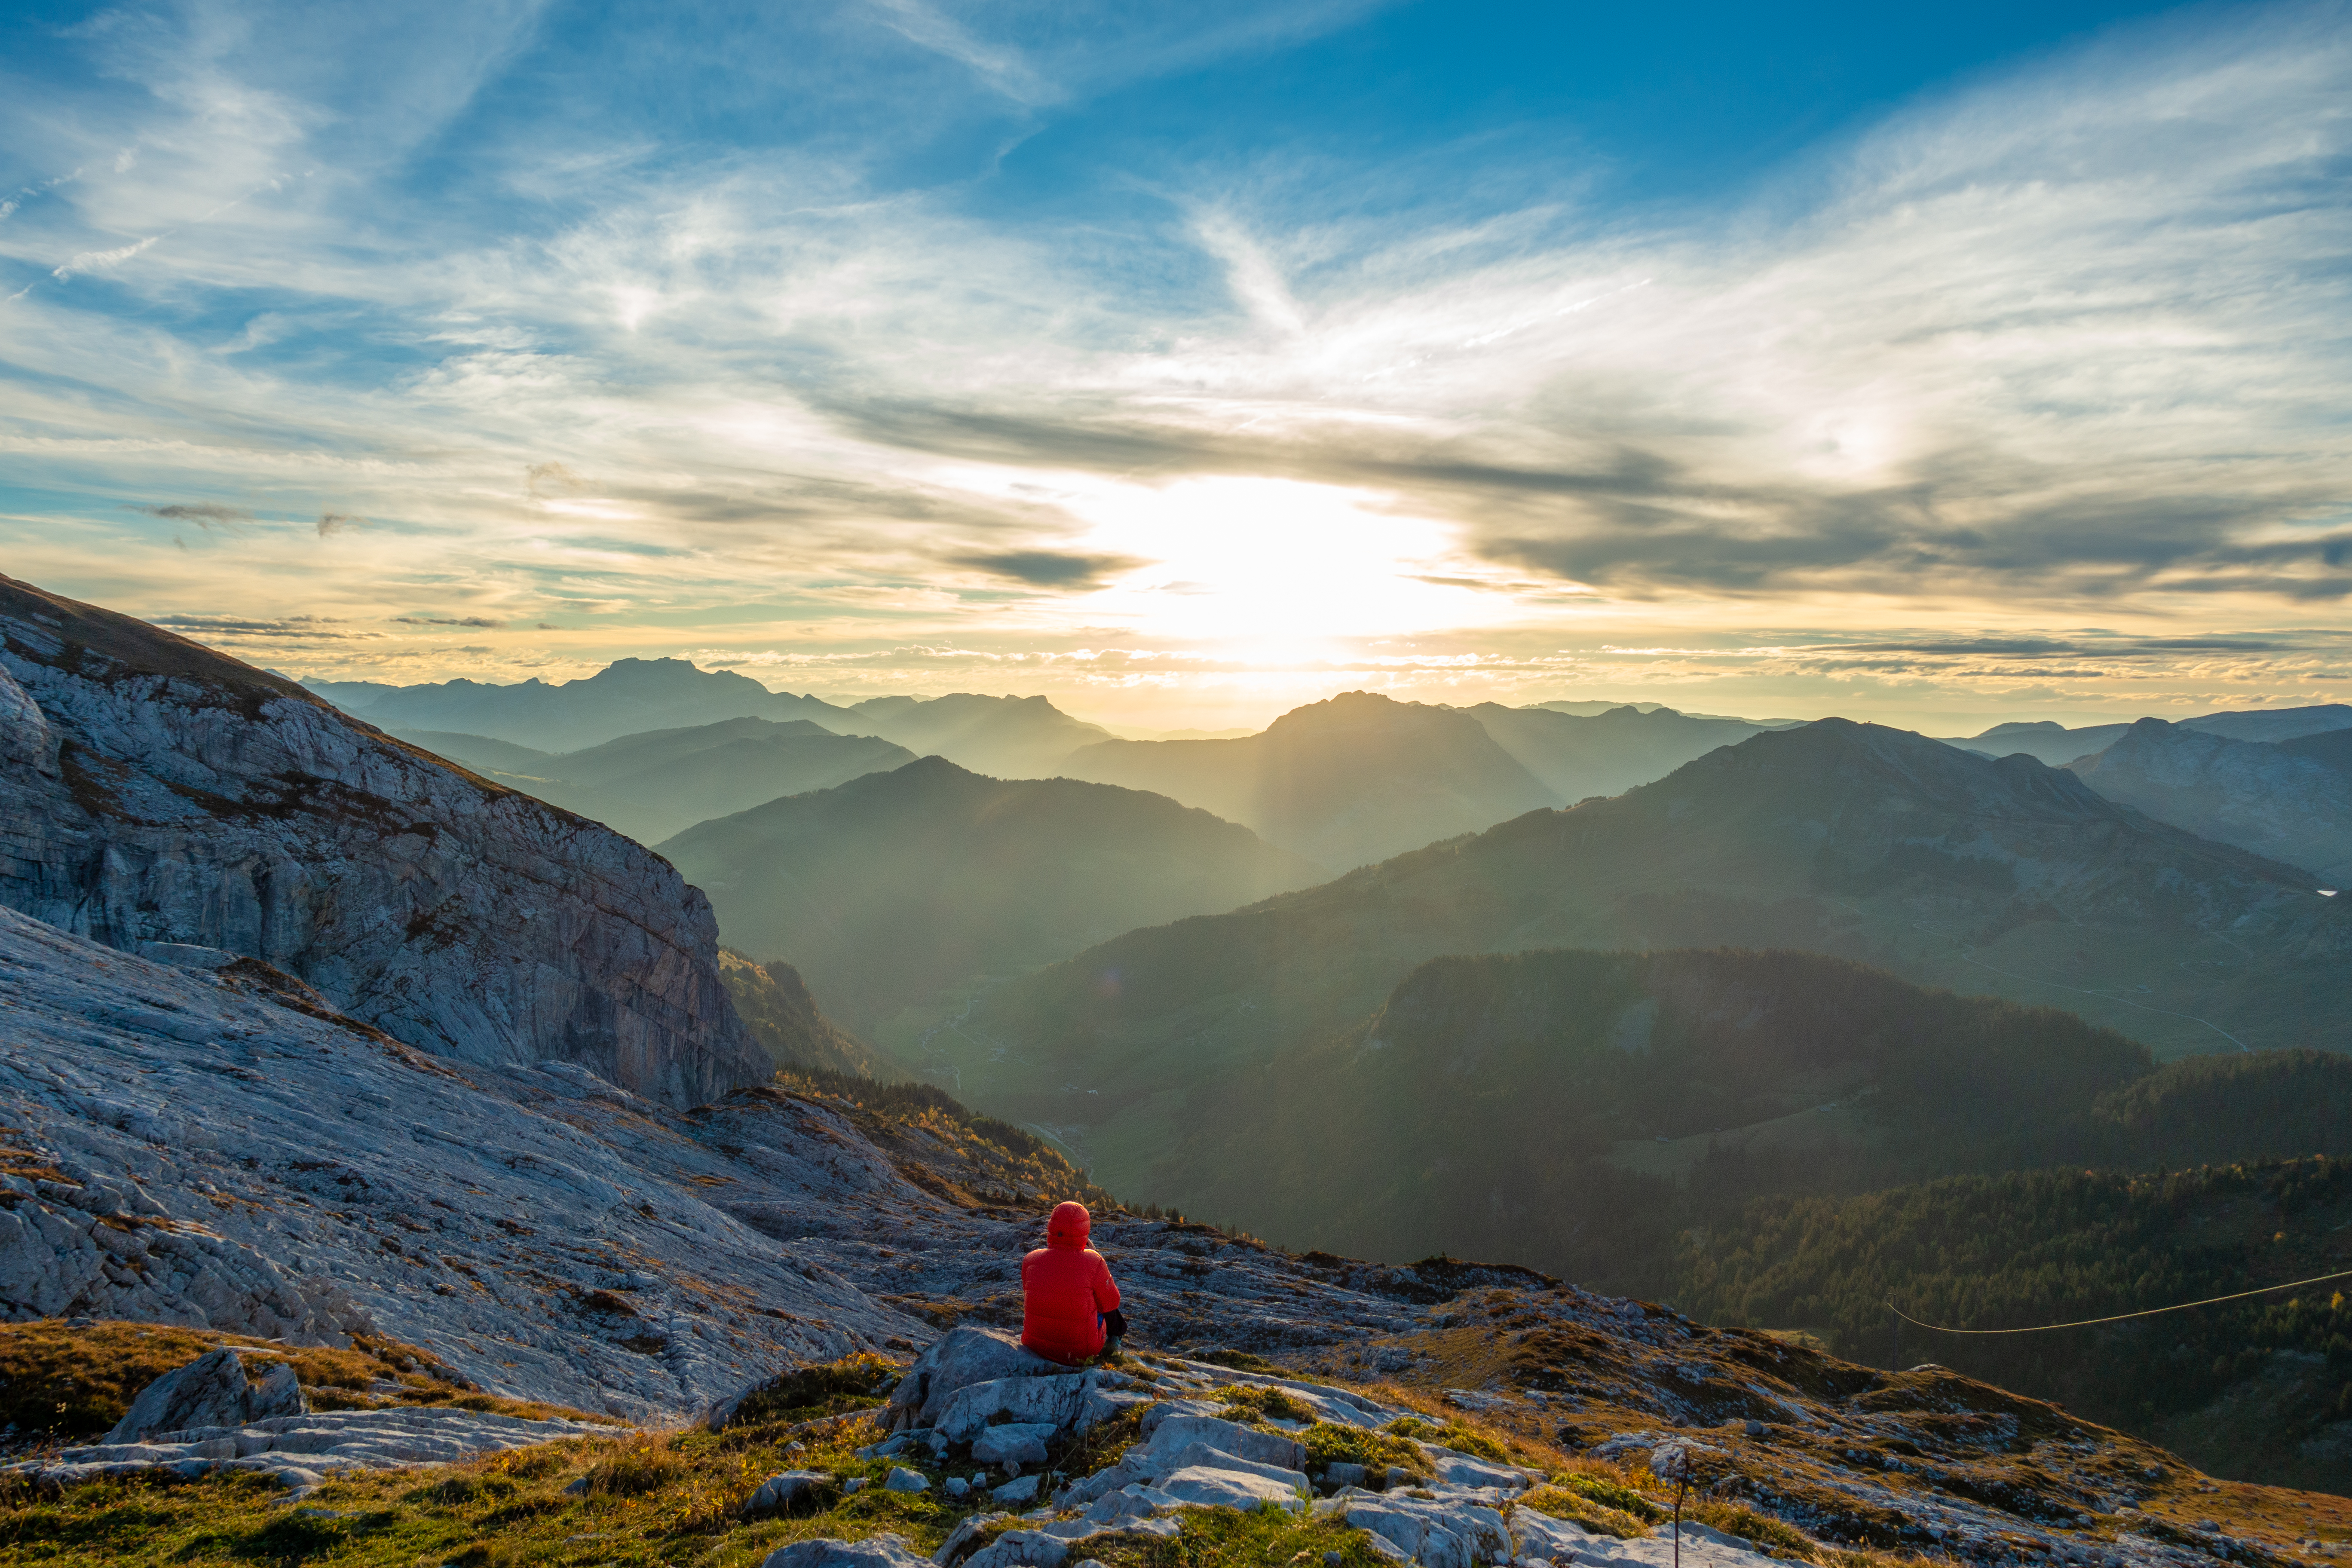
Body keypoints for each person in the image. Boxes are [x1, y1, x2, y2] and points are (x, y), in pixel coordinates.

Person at [1020, 1200, 1126, 1364]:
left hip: (1035, 1343)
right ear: (1084, 1229)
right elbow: (1113, 1301)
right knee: (1104, 1303)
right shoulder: (1094, 1261)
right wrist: (1093, 1254)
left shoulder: (1030, 1259)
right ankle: (1111, 1348)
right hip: (1080, 1351)